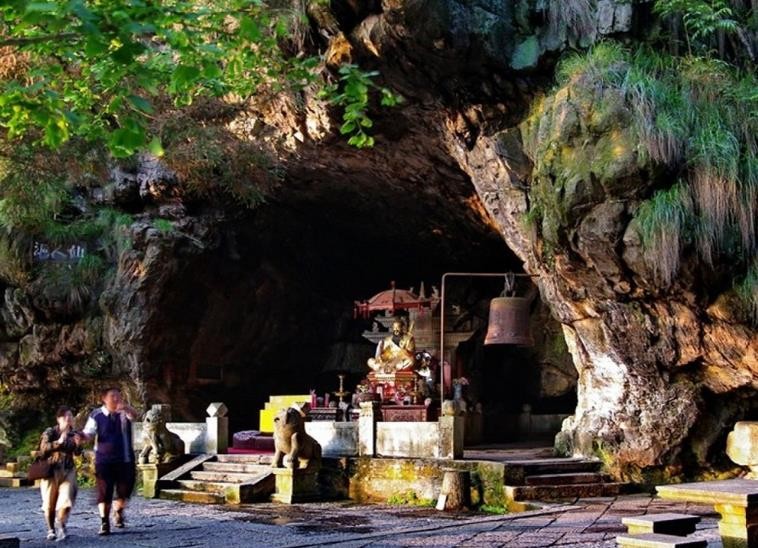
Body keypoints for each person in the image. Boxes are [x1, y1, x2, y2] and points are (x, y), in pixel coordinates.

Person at [81, 387, 139, 536]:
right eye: (112, 396)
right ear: (104, 399)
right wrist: (80, 437)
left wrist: (125, 407)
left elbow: (135, 415)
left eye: (118, 396)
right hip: (103, 460)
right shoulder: (97, 415)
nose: (116, 398)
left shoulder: (124, 414)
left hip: (125, 459)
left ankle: (118, 511)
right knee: (104, 492)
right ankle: (104, 522)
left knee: (124, 490)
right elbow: (88, 433)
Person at [38, 406, 83, 541]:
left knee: (68, 498)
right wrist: (58, 442)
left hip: (68, 469)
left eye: (70, 416)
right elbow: (43, 449)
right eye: (64, 416)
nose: (68, 419)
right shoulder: (50, 432)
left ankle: (61, 523)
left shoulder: (74, 433)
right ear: (58, 419)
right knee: (50, 502)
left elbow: (77, 452)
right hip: (51, 469)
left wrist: (78, 444)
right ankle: (51, 529)